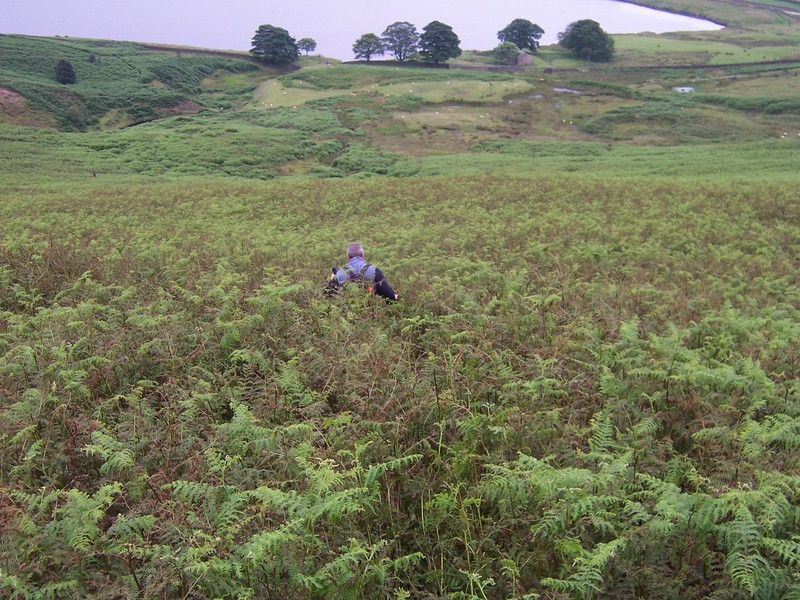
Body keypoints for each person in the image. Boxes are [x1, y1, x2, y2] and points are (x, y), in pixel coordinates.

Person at [332, 242, 398, 301]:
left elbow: (328, 296)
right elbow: (389, 296)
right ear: (363, 255)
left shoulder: (339, 274)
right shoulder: (374, 271)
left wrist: (333, 278)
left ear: (347, 257)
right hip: (370, 311)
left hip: (347, 312)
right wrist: (395, 297)